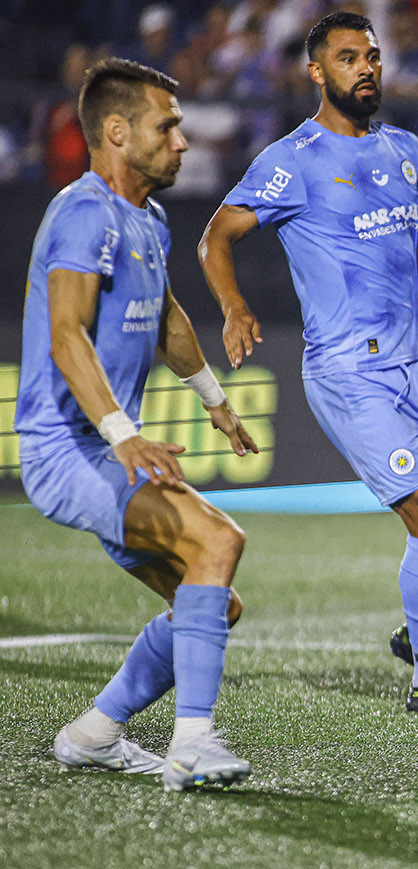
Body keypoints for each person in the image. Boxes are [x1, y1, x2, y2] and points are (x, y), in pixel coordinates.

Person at [198, 11, 418, 718]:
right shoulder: (293, 159)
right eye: (348, 58)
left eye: (372, 56)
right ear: (317, 72)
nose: (366, 67)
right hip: (352, 373)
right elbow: (214, 236)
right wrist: (232, 306)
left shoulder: (403, 149)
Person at [18, 58, 260, 791]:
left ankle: (94, 733)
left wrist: (213, 399)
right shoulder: (84, 211)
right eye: (168, 125)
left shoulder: (148, 219)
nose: (182, 141)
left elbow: (167, 319)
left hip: (104, 449)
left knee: (214, 597)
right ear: (117, 133)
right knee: (218, 539)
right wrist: (125, 435)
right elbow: (68, 337)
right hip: (69, 450)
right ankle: (193, 742)